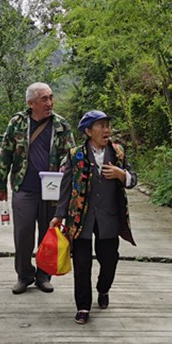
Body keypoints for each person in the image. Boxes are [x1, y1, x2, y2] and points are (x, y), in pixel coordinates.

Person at [50, 111, 137, 324]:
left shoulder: (118, 152)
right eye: (101, 126)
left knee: (109, 260)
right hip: (81, 218)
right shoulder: (75, 155)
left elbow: (133, 179)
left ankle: (103, 288)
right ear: (88, 131)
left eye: (108, 125)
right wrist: (59, 215)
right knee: (81, 264)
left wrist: (121, 175)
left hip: (109, 216)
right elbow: (66, 187)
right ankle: (83, 307)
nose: (106, 130)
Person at [0, 82, 75, 294]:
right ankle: (24, 275)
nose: (50, 103)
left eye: (51, 97)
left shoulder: (61, 125)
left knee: (48, 234)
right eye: (44, 99)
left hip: (51, 189)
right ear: (31, 103)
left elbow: (70, 154)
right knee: (23, 235)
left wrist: (65, 166)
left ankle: (43, 275)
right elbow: (6, 153)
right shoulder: (17, 123)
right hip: (24, 188)